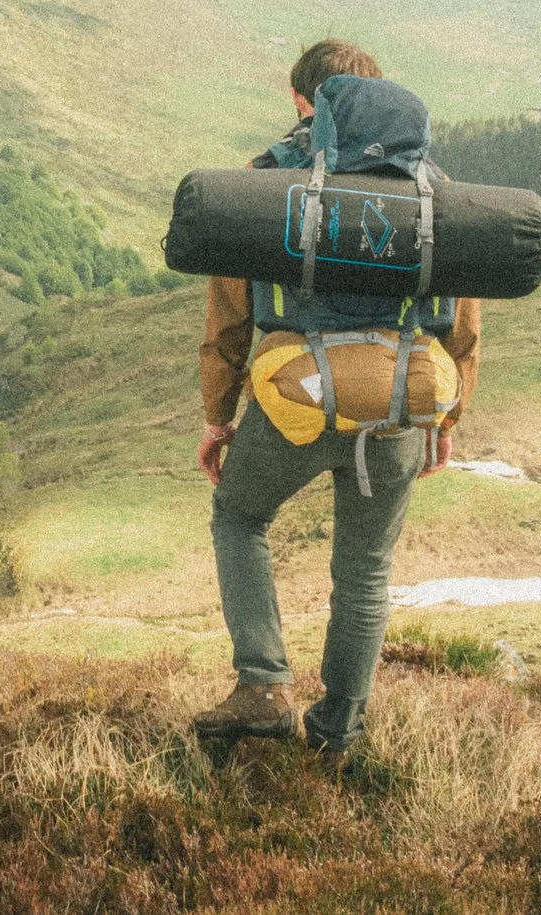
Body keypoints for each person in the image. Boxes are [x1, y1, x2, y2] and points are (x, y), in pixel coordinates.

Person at [191, 40, 483, 759]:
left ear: (304, 103)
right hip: (401, 402)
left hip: (294, 397)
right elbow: (464, 322)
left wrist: (217, 417)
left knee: (240, 516)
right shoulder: (432, 190)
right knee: (365, 570)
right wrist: (450, 415)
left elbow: (229, 320)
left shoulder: (269, 182)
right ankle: (338, 735)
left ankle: (262, 684)